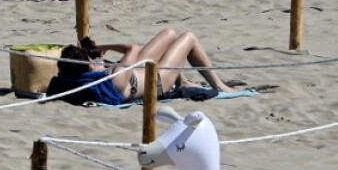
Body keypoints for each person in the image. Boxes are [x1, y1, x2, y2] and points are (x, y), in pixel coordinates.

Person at [53, 28, 237, 104]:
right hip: (157, 82)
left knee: (170, 33)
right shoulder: (113, 79)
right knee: (188, 38)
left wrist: (93, 60)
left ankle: (183, 82)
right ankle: (219, 86)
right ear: (87, 65)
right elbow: (132, 49)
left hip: (136, 72)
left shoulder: (79, 78)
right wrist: (101, 48)